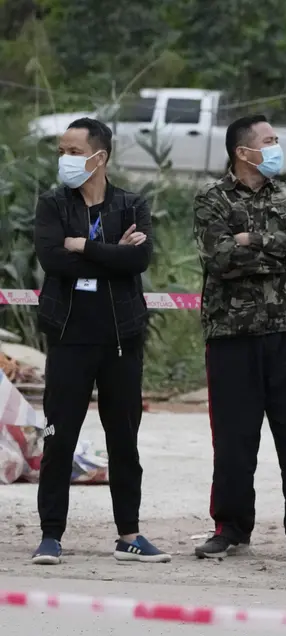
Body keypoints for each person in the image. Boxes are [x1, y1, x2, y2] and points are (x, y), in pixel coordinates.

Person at [192, 114, 286, 564]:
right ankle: (230, 527)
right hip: (230, 334)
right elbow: (221, 259)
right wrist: (273, 242)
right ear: (242, 151)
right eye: (269, 141)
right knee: (232, 439)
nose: (276, 147)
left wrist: (250, 239)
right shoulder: (211, 200)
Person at [30, 117, 167, 565]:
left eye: (73, 151)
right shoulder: (53, 204)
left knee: (123, 439)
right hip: (69, 336)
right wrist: (112, 253)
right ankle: (51, 535)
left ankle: (130, 533)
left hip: (120, 338)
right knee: (59, 436)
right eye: (61, 151)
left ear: (100, 156)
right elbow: (52, 260)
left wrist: (83, 247)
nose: (65, 159)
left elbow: (140, 258)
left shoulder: (130, 204)